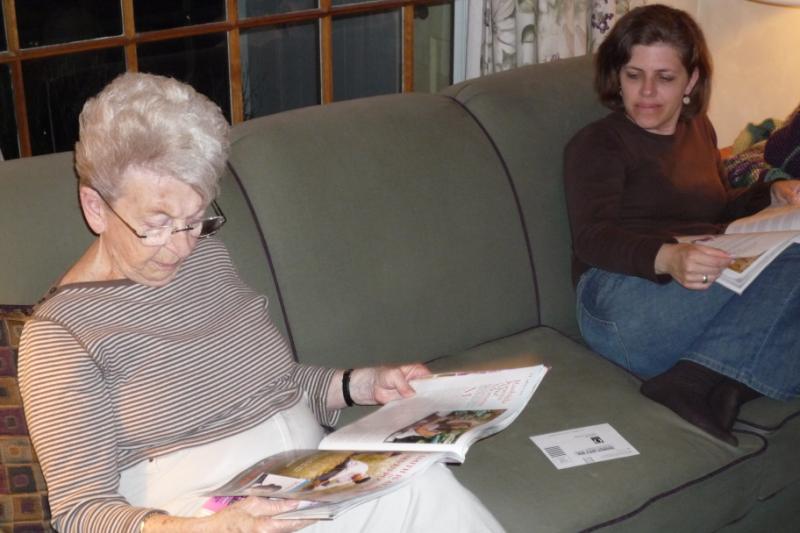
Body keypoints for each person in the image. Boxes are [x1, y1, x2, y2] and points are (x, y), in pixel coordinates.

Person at [18, 73, 505, 533]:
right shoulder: (60, 335)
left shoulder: (206, 259)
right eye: (158, 223)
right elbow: (80, 511)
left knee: (427, 485)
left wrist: (364, 384)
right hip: (202, 516)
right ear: (96, 208)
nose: (181, 246)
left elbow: (275, 383)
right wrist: (208, 528)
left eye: (195, 219)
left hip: (308, 483)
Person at [563, 4, 800, 447]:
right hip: (621, 301)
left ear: (691, 81)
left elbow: (714, 212)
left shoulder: (699, 130)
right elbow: (592, 237)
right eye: (634, 75)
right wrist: (668, 257)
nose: (647, 92)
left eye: (665, 77)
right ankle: (695, 381)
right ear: (618, 76)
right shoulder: (598, 143)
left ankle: (725, 387)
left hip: (696, 282)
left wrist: (769, 194)